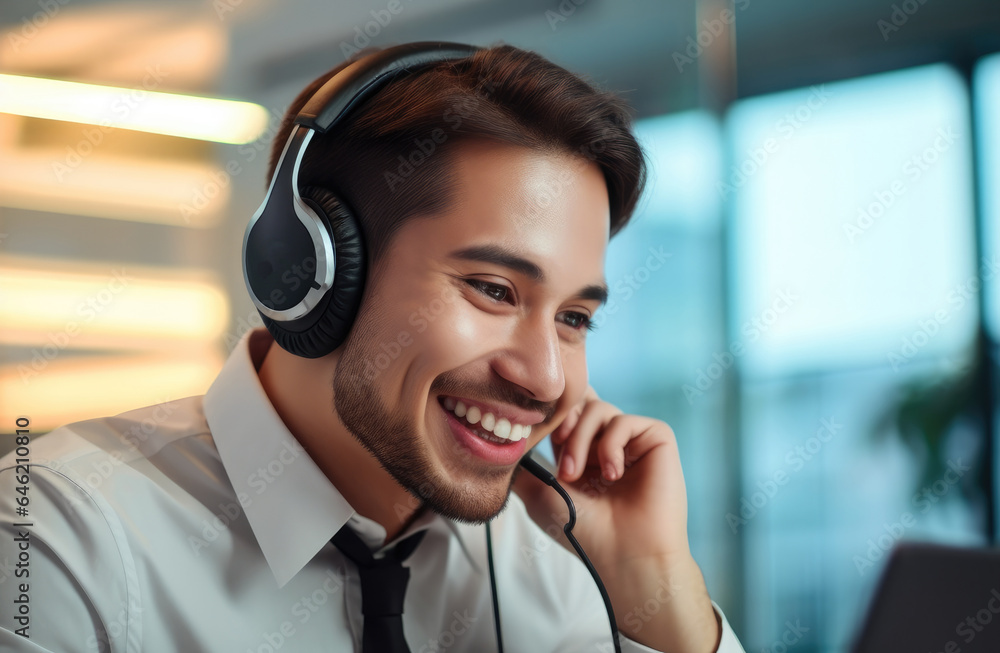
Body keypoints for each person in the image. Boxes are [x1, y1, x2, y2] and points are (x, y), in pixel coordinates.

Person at [0, 42, 746, 652]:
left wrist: (657, 594)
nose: (547, 378)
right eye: (493, 289)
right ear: (310, 271)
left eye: (574, 319)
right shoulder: (53, 544)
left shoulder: (557, 567)